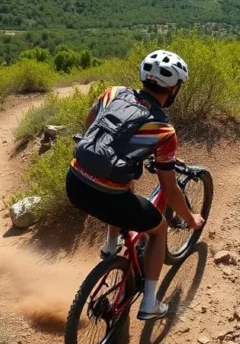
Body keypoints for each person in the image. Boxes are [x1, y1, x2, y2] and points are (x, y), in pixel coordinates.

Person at [65, 50, 205, 321]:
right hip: (109, 198)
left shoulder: (113, 93)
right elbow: (170, 190)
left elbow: (91, 122)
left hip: (74, 182)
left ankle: (110, 246)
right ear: (174, 88)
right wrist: (190, 219)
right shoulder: (164, 131)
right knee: (158, 230)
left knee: (122, 185)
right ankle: (150, 303)